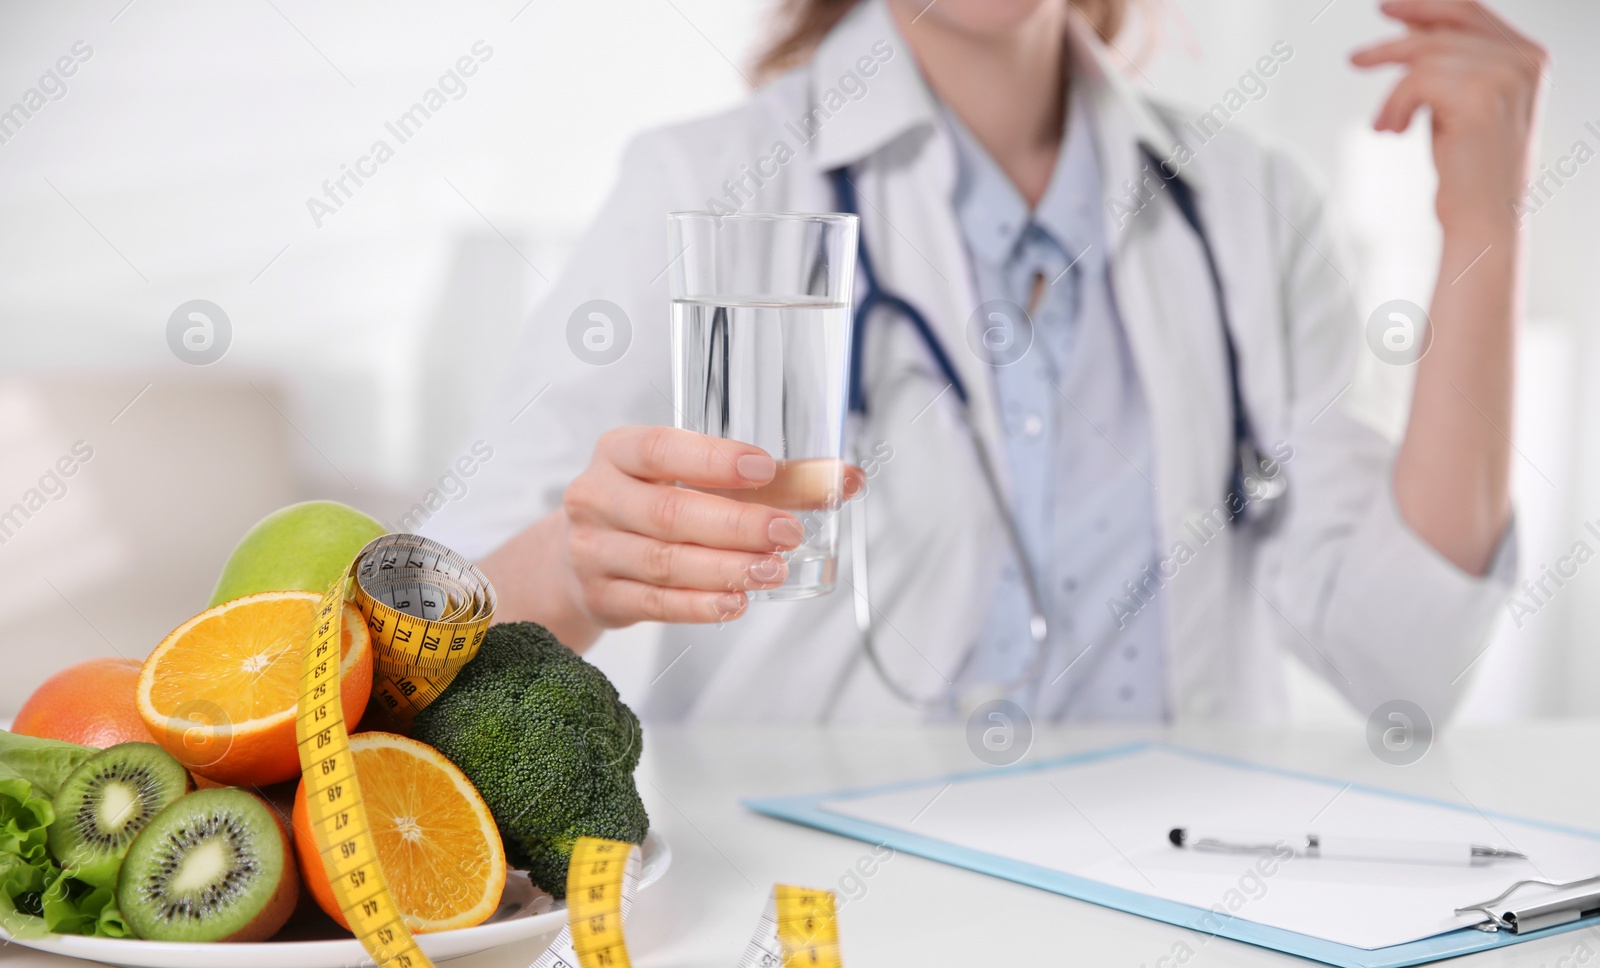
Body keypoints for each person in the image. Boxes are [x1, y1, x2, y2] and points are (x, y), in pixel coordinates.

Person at [423, 0, 1544, 725]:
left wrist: (1483, 224)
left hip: (1177, 928)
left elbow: (1402, 666)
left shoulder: (1247, 204)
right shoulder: (704, 185)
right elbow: (420, 636)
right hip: (818, 933)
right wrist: (574, 571)